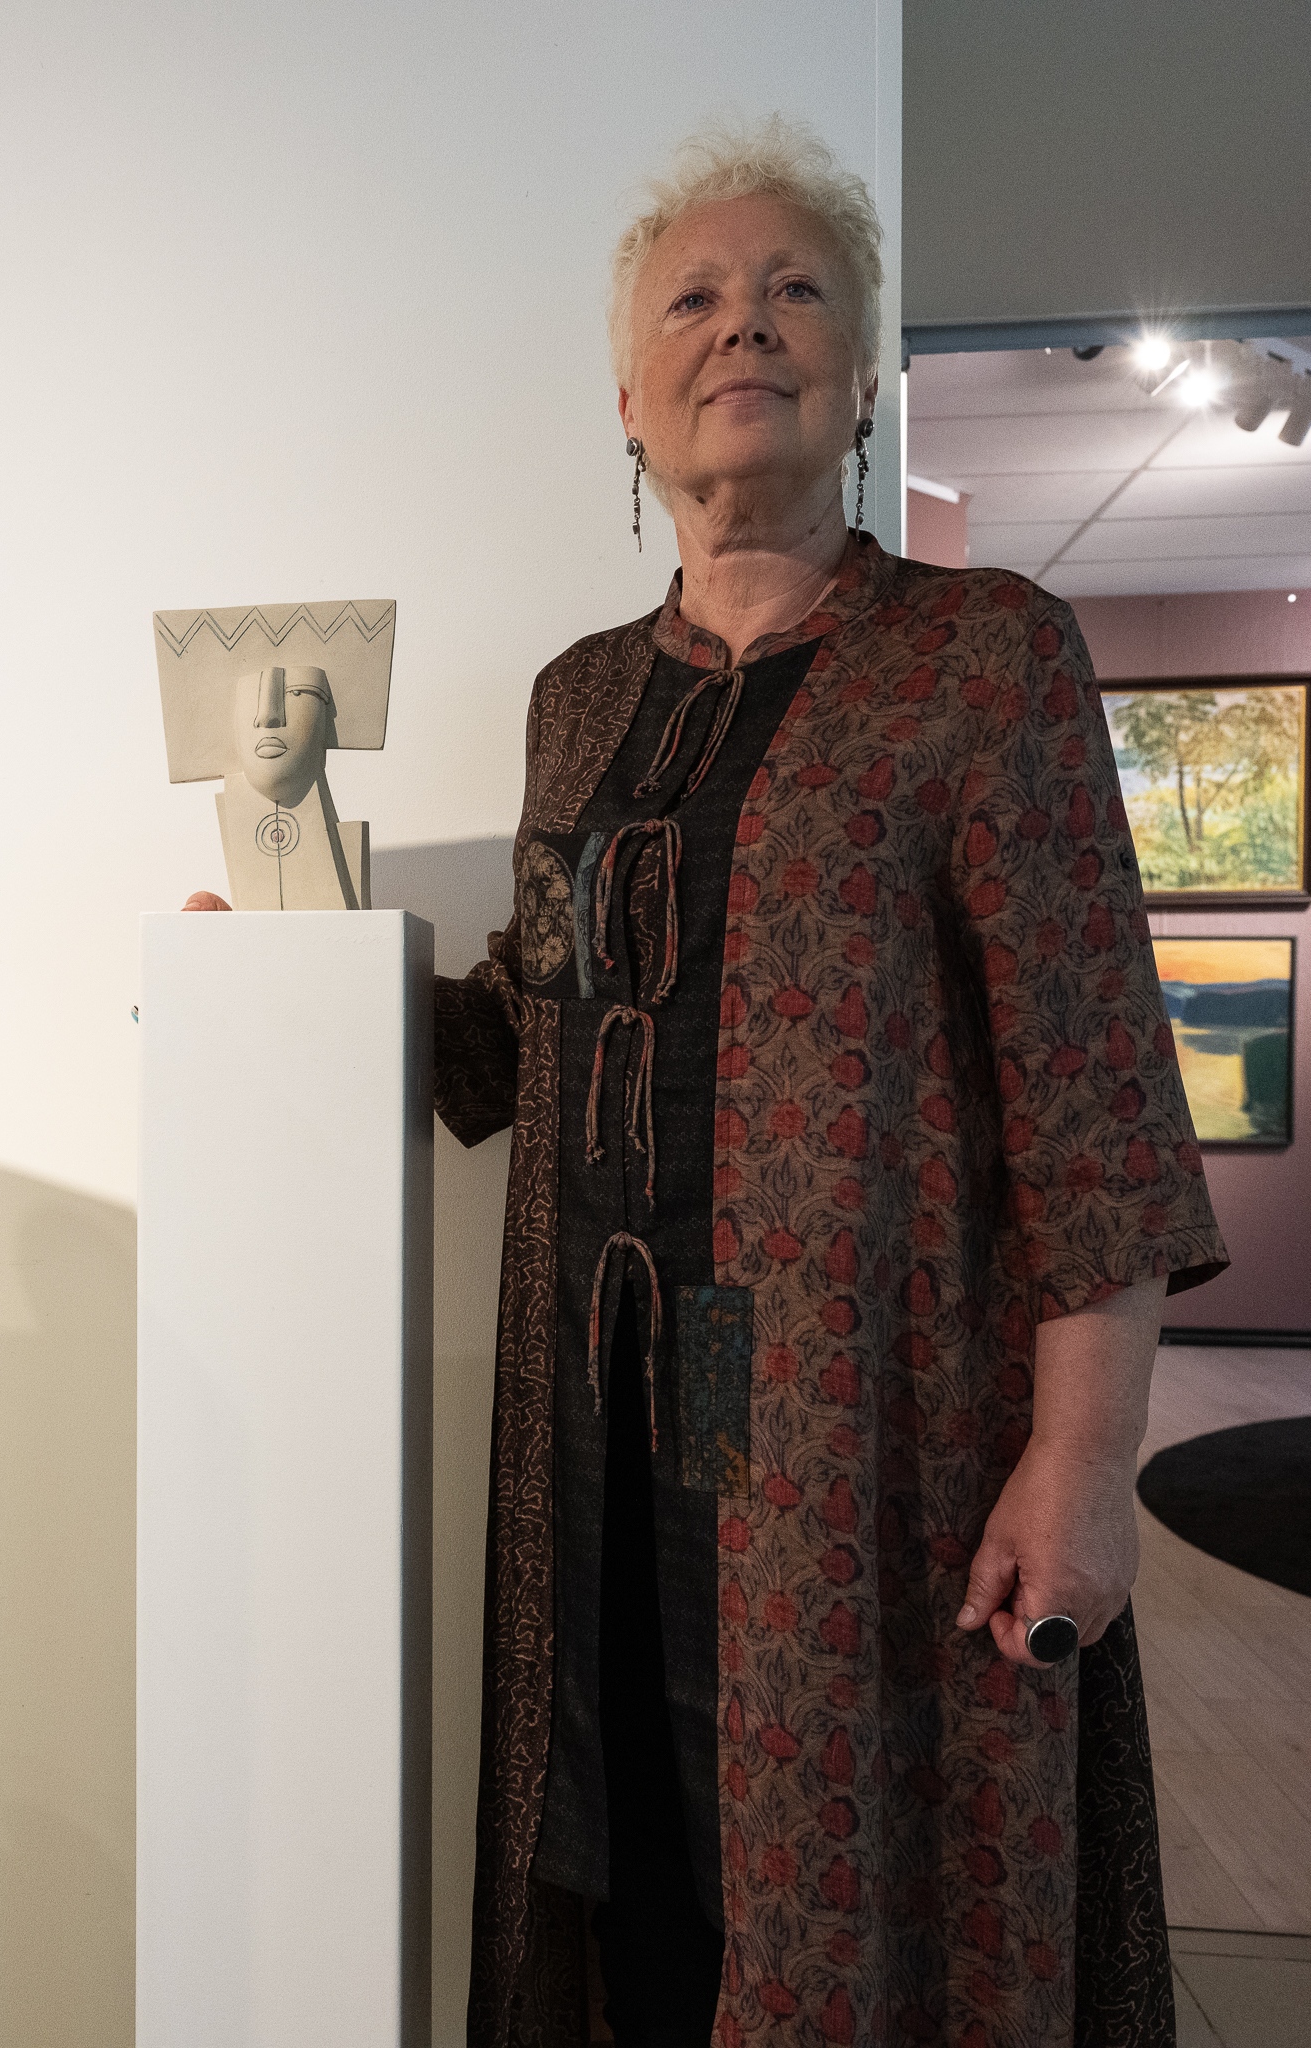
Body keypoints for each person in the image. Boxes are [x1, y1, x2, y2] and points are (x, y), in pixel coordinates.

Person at [426, 118, 1229, 2048]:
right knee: (643, 1860)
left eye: (795, 291)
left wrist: (1085, 1463)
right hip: (611, 1431)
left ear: (861, 378)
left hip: (871, 1434)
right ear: (630, 399)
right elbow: (533, 1018)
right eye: (694, 300)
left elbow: (1095, 1094)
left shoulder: (983, 655)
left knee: (848, 1873)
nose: (745, 324)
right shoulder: (578, 702)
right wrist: (275, 952)